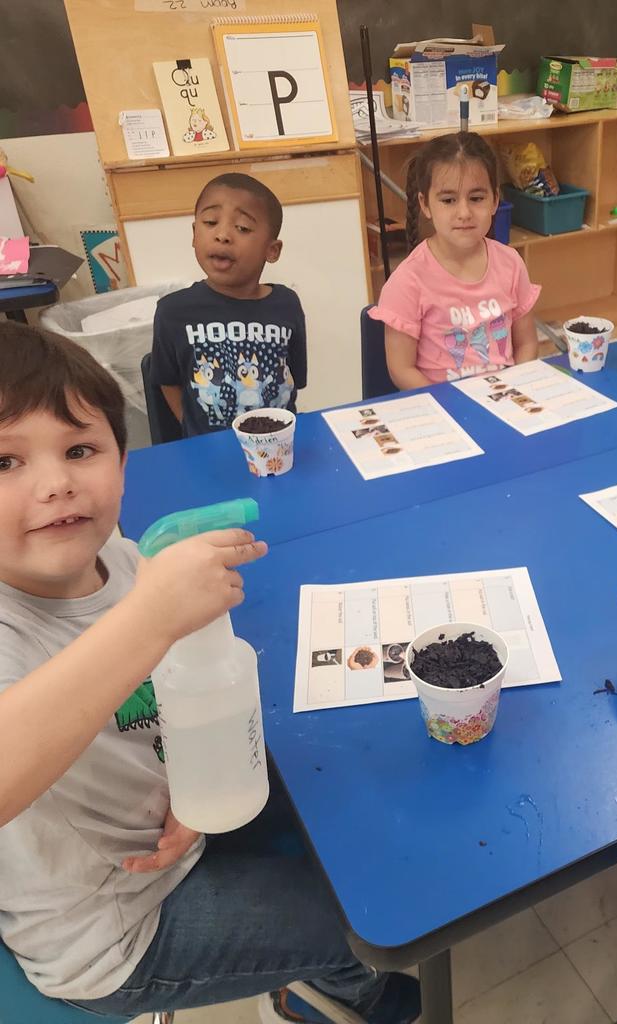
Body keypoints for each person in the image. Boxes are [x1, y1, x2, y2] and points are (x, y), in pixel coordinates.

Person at [0, 322, 419, 1024]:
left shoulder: (123, 562)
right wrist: (150, 618)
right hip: (119, 931)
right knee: (360, 931)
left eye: (80, 449)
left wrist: (187, 790)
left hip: (177, 826)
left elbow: (176, 695)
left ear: (121, 461)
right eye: (3, 462)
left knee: (359, 805)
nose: (56, 484)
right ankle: (332, 999)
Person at [371, 132, 540, 390]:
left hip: (506, 402)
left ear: (495, 200)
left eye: (476, 198)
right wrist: (452, 406)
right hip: (443, 409)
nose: (464, 213)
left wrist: (514, 390)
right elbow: (401, 369)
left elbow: (527, 343)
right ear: (425, 204)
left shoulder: (511, 263)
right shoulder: (408, 280)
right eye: (448, 200)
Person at [151, 173, 307, 437]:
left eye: (243, 228)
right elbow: (166, 381)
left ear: (272, 250)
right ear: (193, 233)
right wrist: (191, 427)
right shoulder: (173, 311)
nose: (222, 235)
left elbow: (294, 380)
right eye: (210, 222)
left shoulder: (287, 304)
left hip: (276, 446)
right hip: (209, 455)